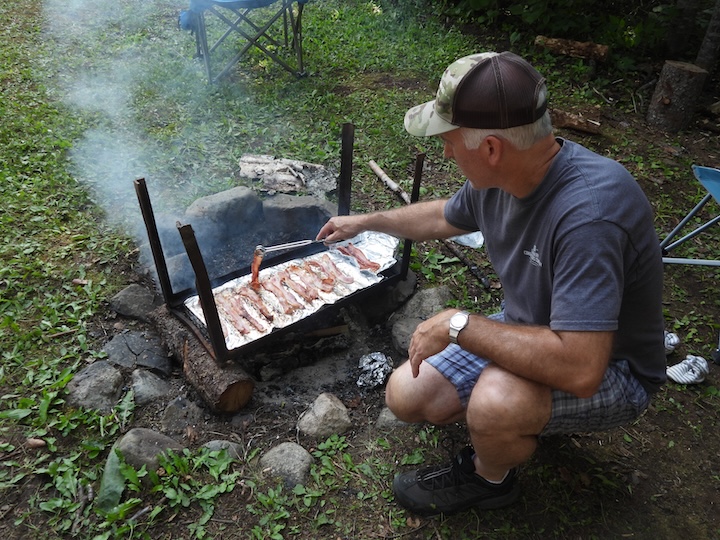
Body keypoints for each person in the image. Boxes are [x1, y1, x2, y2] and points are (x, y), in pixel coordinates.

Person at [316, 51, 666, 517]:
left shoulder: (590, 215)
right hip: (534, 329)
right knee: (407, 394)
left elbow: (581, 368)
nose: (444, 151)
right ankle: (515, 421)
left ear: (492, 149)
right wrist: (367, 221)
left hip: (612, 369)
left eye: (449, 140)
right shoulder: (501, 177)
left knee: (495, 402)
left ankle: (491, 477)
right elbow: (443, 215)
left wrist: (459, 324)